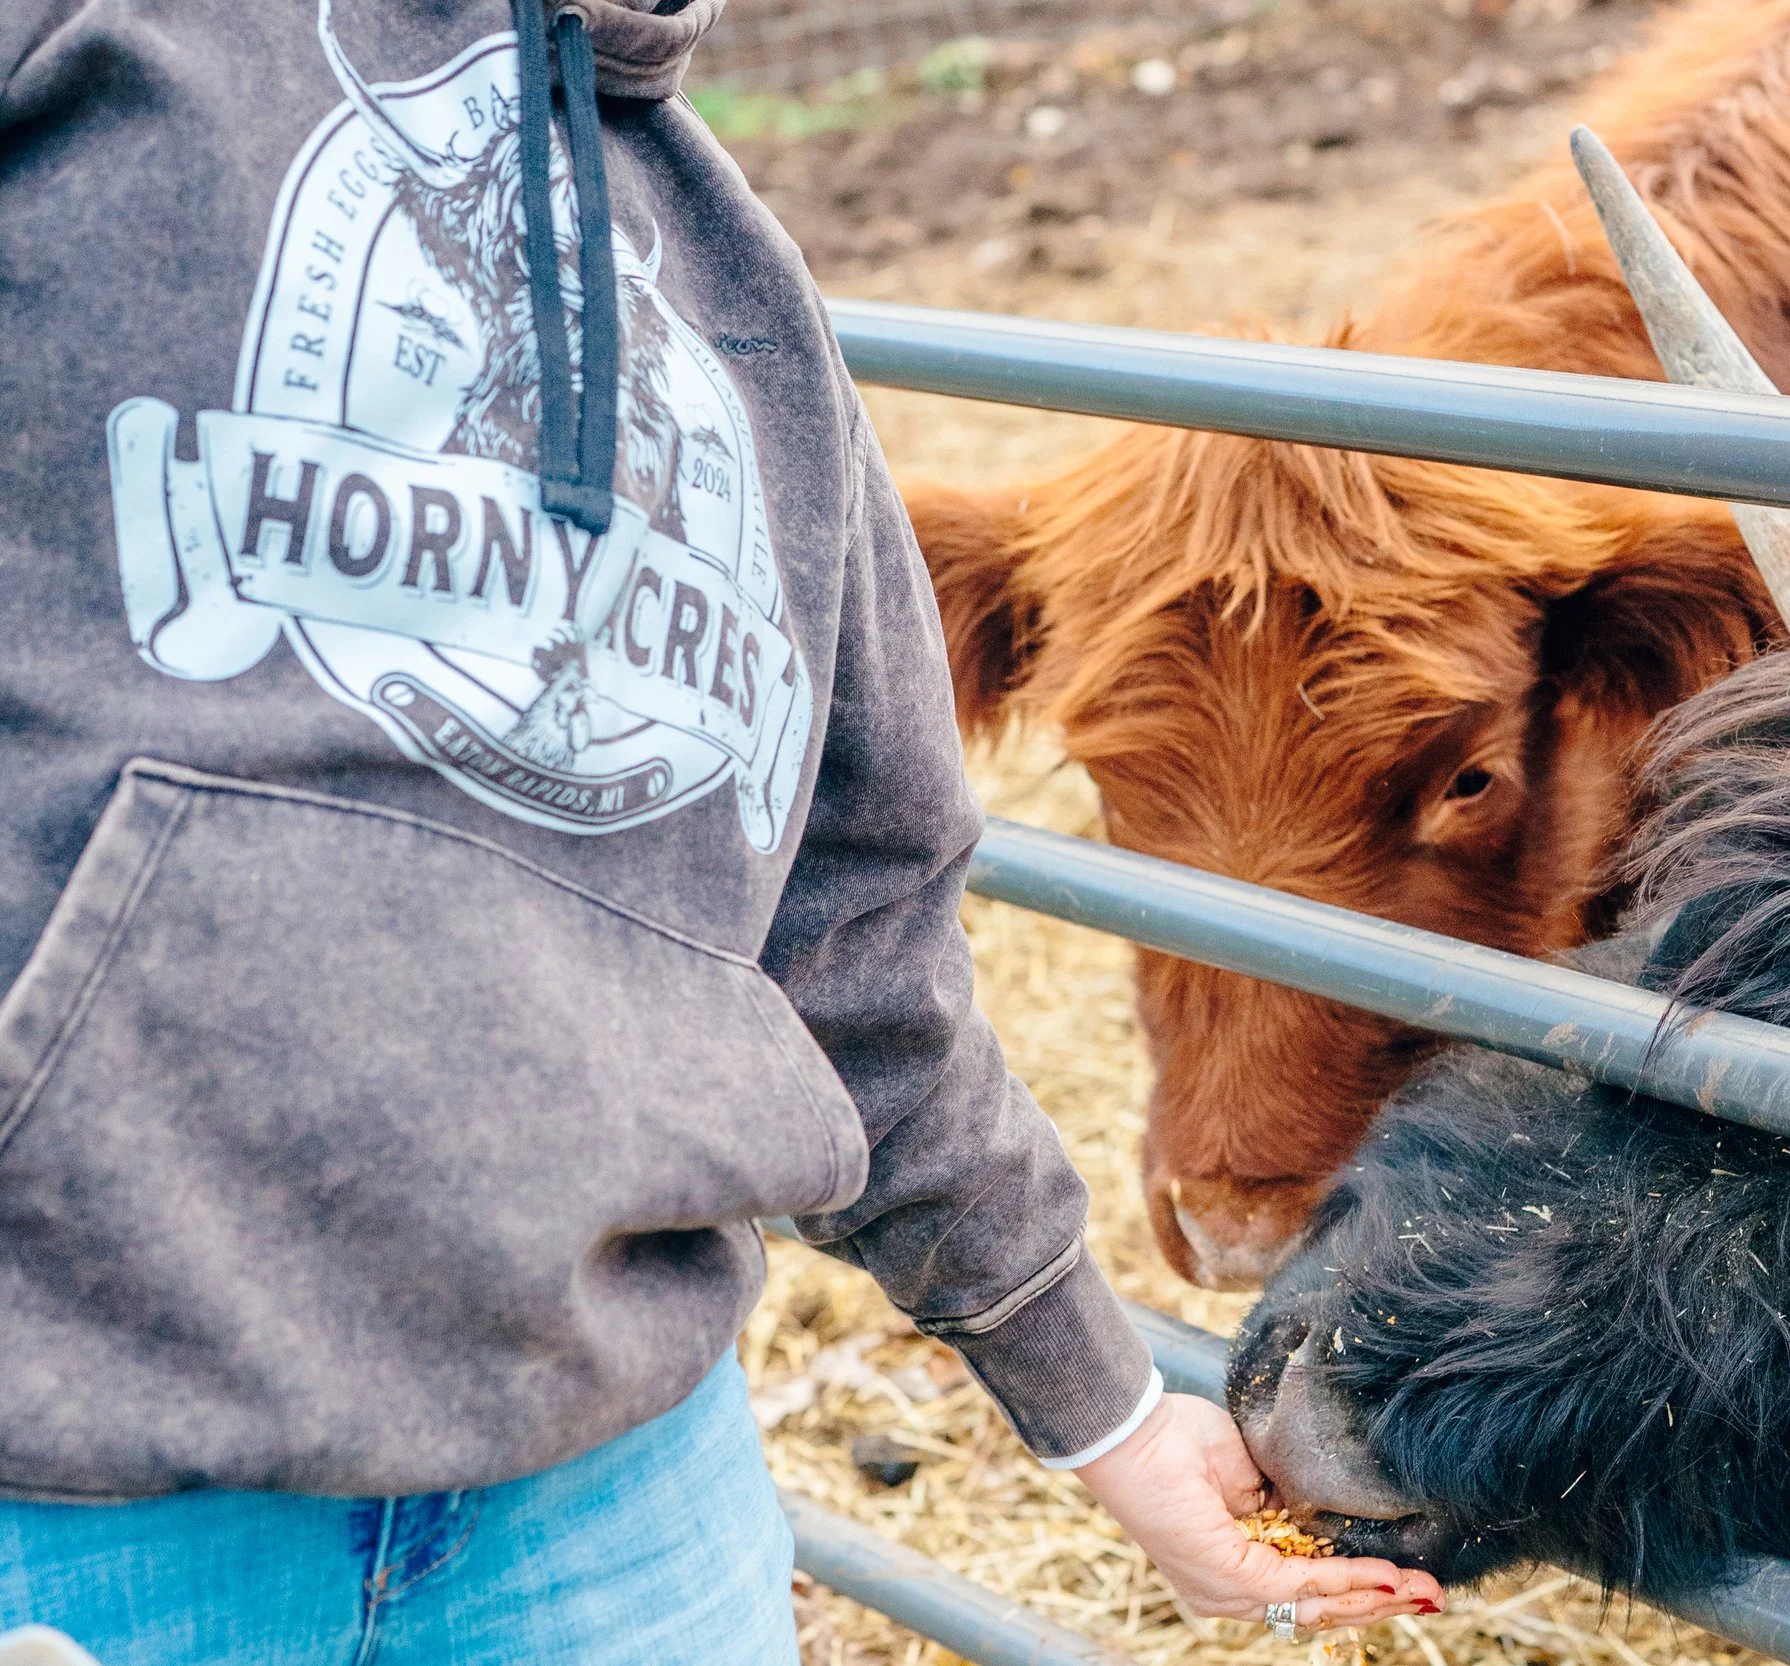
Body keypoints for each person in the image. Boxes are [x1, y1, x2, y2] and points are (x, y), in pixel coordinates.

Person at [0, 1, 1443, 1659]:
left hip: (617, 1504)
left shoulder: (750, 304)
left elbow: (859, 938)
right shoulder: (91, 44)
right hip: (73, 1493)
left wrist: (1106, 1409)